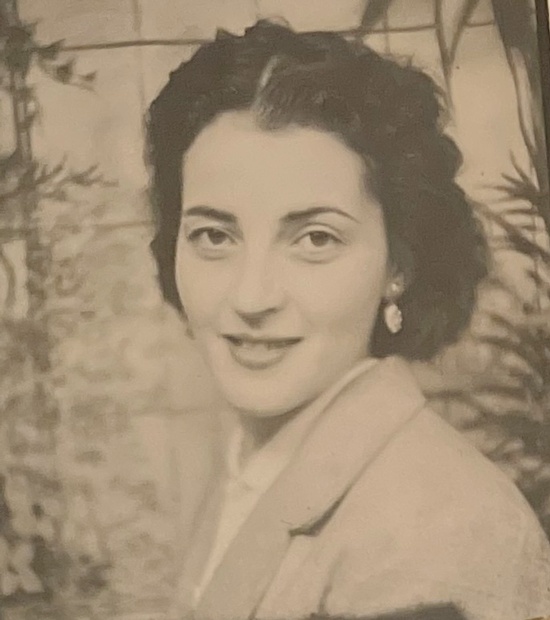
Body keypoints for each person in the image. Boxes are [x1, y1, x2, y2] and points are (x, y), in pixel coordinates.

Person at [146, 20, 550, 620]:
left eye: (315, 238)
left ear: (399, 265)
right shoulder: (255, 466)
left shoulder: (440, 535)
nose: (251, 296)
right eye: (213, 235)